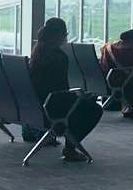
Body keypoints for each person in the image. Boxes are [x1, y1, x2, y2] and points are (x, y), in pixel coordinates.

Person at [29, 17, 103, 162]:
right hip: (51, 107)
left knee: (81, 103)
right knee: (93, 109)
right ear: (60, 35)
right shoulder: (59, 57)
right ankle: (70, 149)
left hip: (35, 106)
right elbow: (62, 90)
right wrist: (81, 96)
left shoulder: (38, 51)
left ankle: (70, 146)